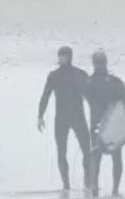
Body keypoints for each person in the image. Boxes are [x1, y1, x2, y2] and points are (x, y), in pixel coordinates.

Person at [85, 50, 125, 198]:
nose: (99, 65)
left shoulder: (89, 83)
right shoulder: (114, 82)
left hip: (98, 124)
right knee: (110, 157)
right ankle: (109, 190)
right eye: (98, 62)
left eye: (99, 62)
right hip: (112, 125)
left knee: (98, 156)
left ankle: (100, 189)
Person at [38, 46, 91, 195]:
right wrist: (40, 116)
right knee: (61, 152)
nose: (61, 59)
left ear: (70, 57)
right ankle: (66, 185)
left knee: (87, 150)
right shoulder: (53, 76)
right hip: (61, 119)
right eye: (59, 56)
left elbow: (91, 97)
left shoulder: (80, 75)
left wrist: (98, 116)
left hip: (78, 117)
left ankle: (87, 181)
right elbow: (45, 95)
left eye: (64, 56)